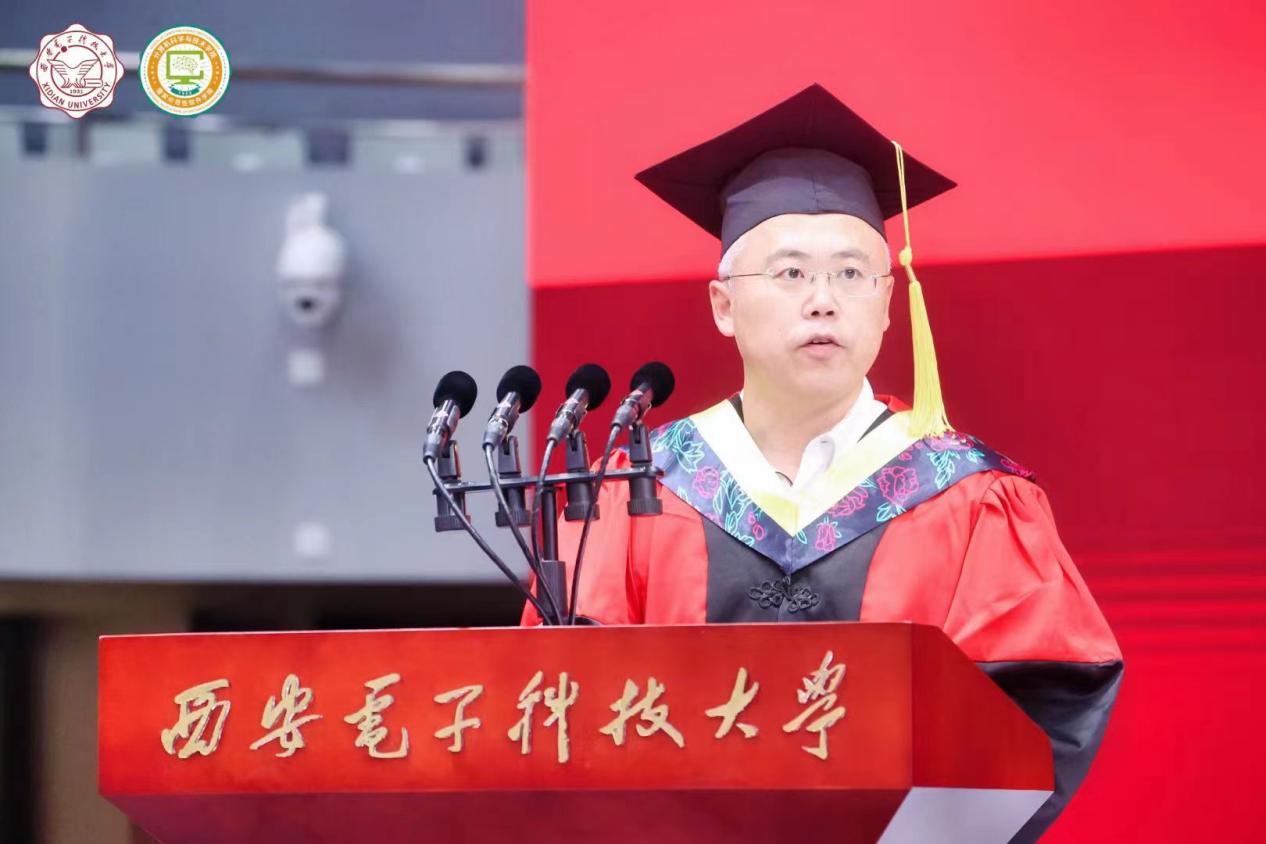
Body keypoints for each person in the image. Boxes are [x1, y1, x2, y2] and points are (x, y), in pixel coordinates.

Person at [522, 83, 1122, 843]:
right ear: (723, 306)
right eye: (791, 273)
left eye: (851, 274)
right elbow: (561, 707)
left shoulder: (970, 496)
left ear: (888, 303)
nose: (823, 300)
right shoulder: (632, 491)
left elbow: (1042, 707)